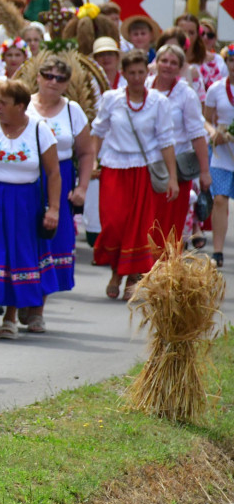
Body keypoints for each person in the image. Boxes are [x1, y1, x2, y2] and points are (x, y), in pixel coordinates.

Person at [0, 80, 61, 340]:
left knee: (17, 257)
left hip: (24, 203)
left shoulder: (40, 131)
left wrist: (54, 209)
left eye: (3, 103)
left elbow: (53, 173)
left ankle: (10, 317)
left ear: (20, 106)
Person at [91, 50, 178, 301]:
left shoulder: (158, 102)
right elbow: (98, 131)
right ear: (124, 73)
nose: (137, 77)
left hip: (144, 168)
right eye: (132, 73)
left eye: (141, 72)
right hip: (114, 167)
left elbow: (166, 141)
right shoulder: (112, 98)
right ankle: (119, 271)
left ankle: (125, 276)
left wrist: (172, 177)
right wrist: (94, 160)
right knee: (114, 224)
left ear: (147, 72)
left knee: (139, 228)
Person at [25, 57, 93, 333]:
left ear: (67, 84)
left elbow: (86, 152)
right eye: (48, 75)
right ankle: (19, 302)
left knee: (49, 240)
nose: (53, 81)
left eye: (60, 78)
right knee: (24, 240)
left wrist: (82, 187)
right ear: (38, 77)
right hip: (27, 176)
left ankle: (37, 309)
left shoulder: (72, 111)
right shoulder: (25, 105)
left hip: (61, 178)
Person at [147, 44, 210, 245]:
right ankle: (143, 267)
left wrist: (204, 171)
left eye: (173, 63)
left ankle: (166, 269)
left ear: (180, 67)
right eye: (164, 61)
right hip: (147, 164)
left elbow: (197, 134)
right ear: (156, 63)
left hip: (176, 167)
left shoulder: (186, 94)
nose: (167, 66)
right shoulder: (145, 86)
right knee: (147, 220)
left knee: (169, 223)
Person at [205, 44, 234, 266]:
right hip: (221, 152)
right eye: (231, 60)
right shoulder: (215, 88)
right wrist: (214, 132)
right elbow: (204, 119)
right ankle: (217, 251)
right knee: (220, 199)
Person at [197, 17, 228, 91]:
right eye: (202, 34)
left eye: (210, 35)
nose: (205, 38)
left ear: (215, 39)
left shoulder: (219, 60)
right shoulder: (189, 59)